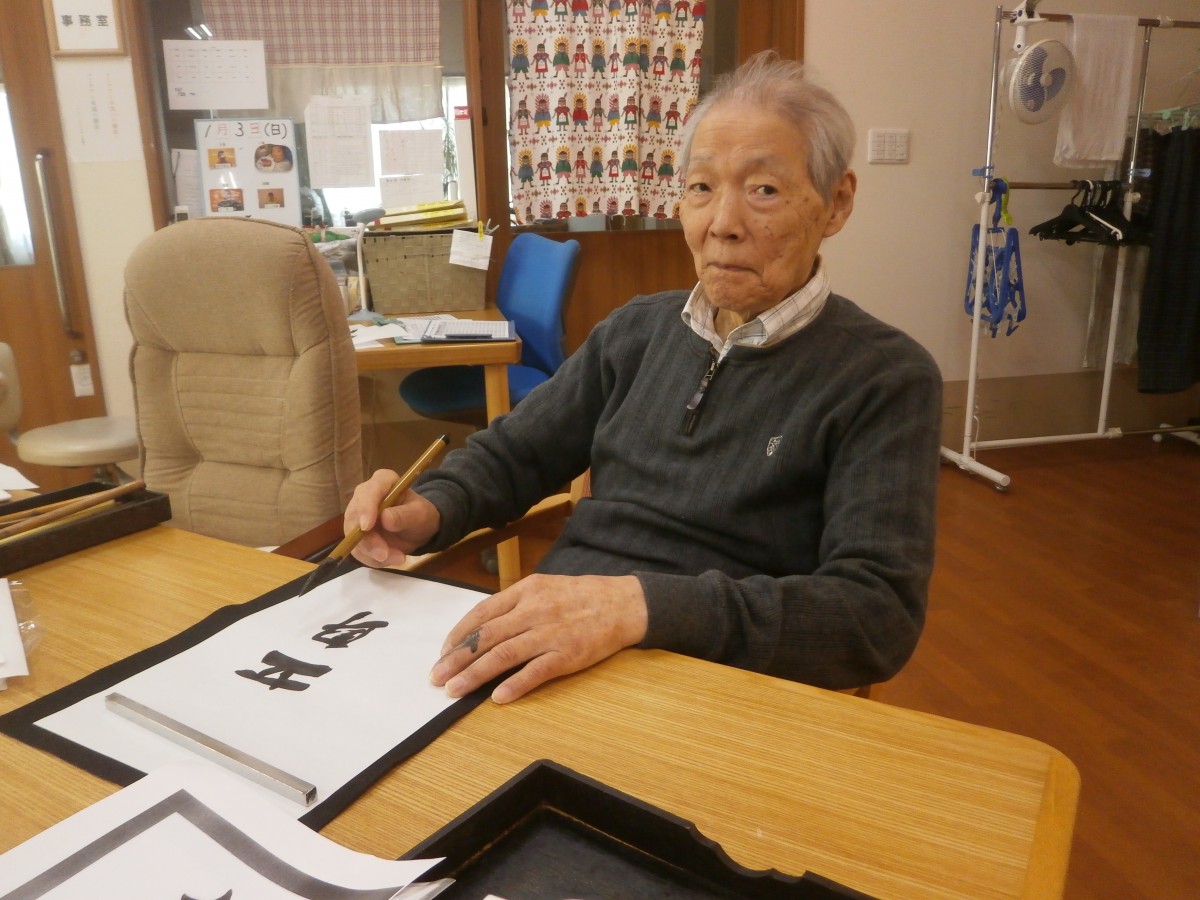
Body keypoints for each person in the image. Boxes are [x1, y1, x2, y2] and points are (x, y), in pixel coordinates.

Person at [345, 51, 943, 705]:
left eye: (764, 190)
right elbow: (515, 455)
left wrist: (636, 608)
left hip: (720, 688)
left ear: (837, 203)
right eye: (701, 187)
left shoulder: (885, 378)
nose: (722, 224)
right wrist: (427, 508)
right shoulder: (637, 331)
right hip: (557, 653)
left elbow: (874, 616)